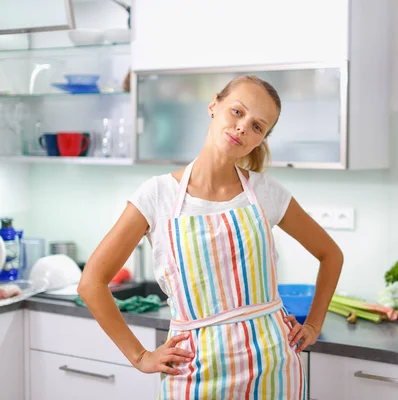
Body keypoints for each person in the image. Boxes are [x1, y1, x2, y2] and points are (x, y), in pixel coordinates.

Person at [77, 75, 344, 399]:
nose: (244, 127)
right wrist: (141, 356)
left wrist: (313, 325)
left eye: (258, 126)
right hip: (194, 372)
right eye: (237, 112)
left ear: (260, 140)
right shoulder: (157, 195)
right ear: (214, 105)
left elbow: (331, 254)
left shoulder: (266, 193)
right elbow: (91, 282)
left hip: (273, 369)